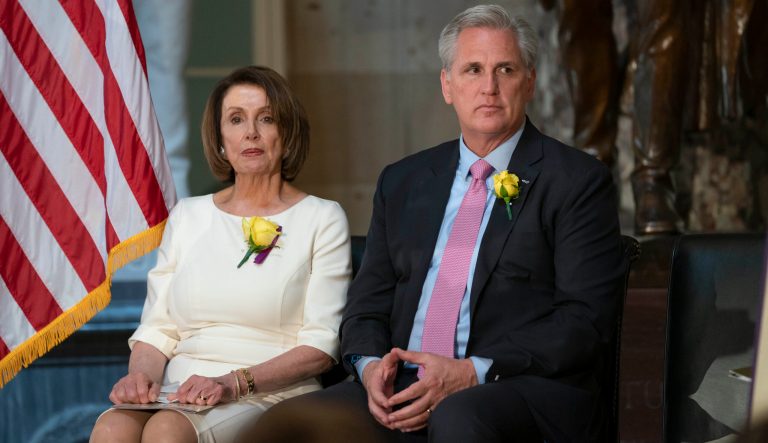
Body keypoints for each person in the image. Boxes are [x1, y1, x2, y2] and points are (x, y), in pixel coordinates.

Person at [257, 5, 627, 442]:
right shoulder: (403, 181)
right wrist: (369, 366)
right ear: (447, 85)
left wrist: (470, 371)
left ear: (529, 81)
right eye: (472, 70)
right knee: (287, 427)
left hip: (514, 386)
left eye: (504, 69)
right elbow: (366, 304)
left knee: (457, 417)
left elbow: (584, 322)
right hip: (400, 381)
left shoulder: (577, 181)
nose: (489, 87)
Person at [89, 66, 351, 443]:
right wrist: (141, 377)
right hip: (179, 388)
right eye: (236, 119)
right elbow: (157, 330)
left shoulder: (322, 217)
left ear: (287, 133)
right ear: (220, 139)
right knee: (112, 427)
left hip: (270, 391)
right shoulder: (188, 215)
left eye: (266, 119)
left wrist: (231, 383)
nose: (251, 133)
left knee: (167, 430)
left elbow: (321, 346)